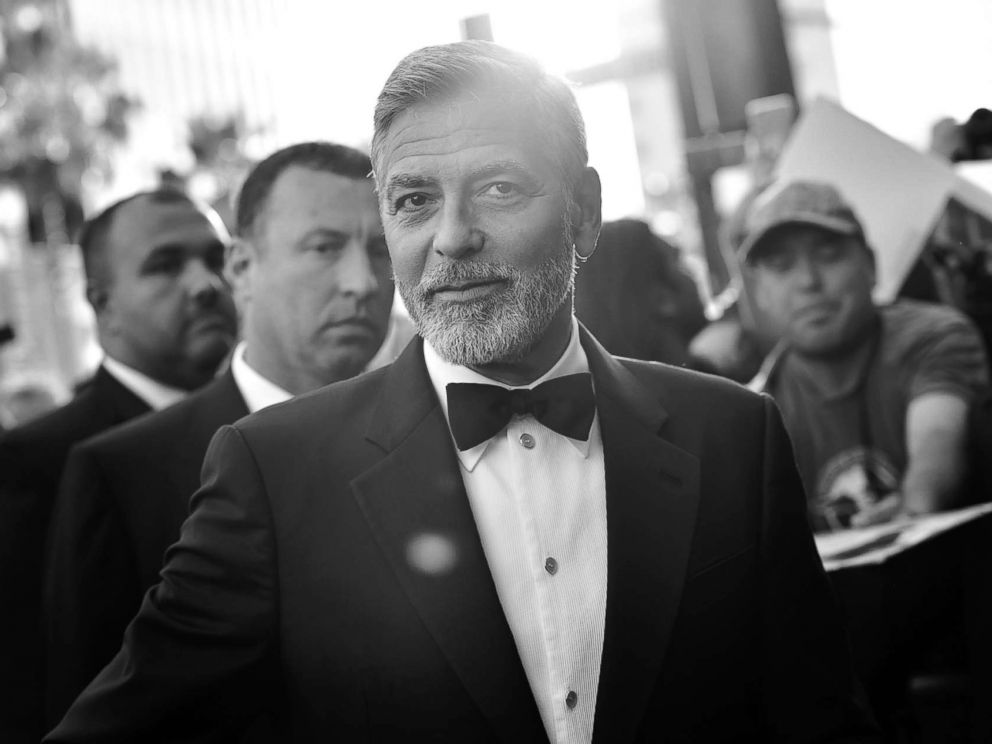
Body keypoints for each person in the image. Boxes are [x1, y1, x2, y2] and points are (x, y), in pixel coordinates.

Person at [46, 42, 875, 743]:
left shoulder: (733, 435)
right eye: (413, 201)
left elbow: (817, 714)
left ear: (584, 212)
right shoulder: (272, 470)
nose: (451, 238)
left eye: (500, 189)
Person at [43, 142, 395, 729]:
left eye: (380, 249)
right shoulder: (120, 473)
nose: (362, 281)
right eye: (324, 247)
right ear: (241, 269)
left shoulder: (438, 430)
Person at [0, 189, 236, 744]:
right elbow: (33, 681)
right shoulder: (35, 463)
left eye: (217, 258)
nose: (206, 284)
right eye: (165, 265)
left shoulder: (282, 425)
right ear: (102, 303)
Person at [743, 180, 990, 532]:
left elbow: (937, 436)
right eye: (782, 266)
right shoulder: (759, 411)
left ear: (871, 265)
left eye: (828, 255)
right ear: (760, 292)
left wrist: (916, 504)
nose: (808, 282)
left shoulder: (934, 337)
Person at [572, 218, 707, 367]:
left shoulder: (590, 379)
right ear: (664, 299)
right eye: (678, 263)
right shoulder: (710, 375)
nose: (692, 275)